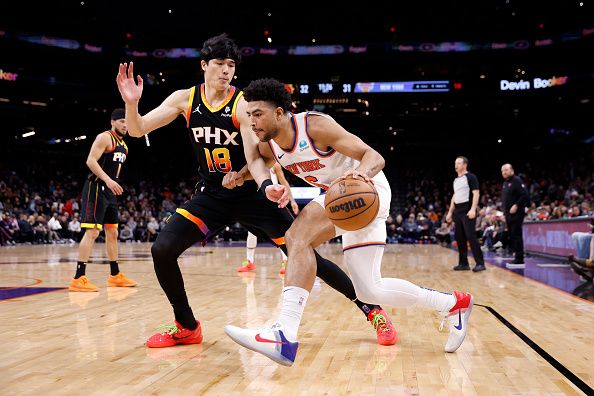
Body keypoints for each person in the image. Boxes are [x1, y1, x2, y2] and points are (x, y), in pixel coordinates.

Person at [115, 33, 396, 348]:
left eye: (231, 65)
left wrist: (266, 185)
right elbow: (138, 129)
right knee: (162, 250)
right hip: (212, 194)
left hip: (251, 194)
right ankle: (186, 325)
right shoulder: (185, 99)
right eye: (219, 63)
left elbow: (255, 158)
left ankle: (371, 309)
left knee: (304, 255)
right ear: (204, 65)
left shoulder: (244, 105)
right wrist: (131, 103)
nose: (226, 70)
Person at [224, 78, 474, 366]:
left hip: (366, 188)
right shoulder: (272, 146)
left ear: (279, 113)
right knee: (370, 289)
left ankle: (284, 333)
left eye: (258, 114)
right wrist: (239, 176)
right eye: (249, 115)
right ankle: (453, 304)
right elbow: (257, 161)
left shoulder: (314, 126)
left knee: (297, 236)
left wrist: (360, 174)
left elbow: (374, 156)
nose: (252, 122)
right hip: (343, 198)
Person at [69, 109, 138, 292]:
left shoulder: (125, 145)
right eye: (122, 121)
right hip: (96, 187)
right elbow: (91, 161)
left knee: (113, 233)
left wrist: (111, 183)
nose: (125, 125)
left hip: (109, 191)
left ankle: (115, 275)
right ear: (113, 122)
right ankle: (78, 277)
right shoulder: (105, 137)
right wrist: (108, 180)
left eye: (127, 122)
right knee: (92, 232)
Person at [237, 162, 299, 275]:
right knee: (251, 231)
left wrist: (292, 200)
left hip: (273, 199)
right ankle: (250, 261)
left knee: (281, 232)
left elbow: (283, 181)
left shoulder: (274, 164)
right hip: (256, 199)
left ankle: (286, 261)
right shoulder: (251, 163)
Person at [445, 156, 485, 272]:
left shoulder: (471, 177)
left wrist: (473, 209)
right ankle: (463, 263)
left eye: (458, 163)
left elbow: (476, 193)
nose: (456, 165)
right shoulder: (456, 180)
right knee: (460, 237)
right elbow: (454, 196)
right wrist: (450, 212)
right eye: (455, 163)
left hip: (467, 209)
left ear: (464, 165)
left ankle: (480, 263)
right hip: (458, 210)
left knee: (471, 237)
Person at [501, 164, 529, 269]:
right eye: (502, 170)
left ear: (512, 170)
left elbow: (524, 195)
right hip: (508, 214)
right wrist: (504, 213)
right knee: (513, 235)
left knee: (517, 235)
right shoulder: (505, 183)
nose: (504, 172)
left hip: (517, 213)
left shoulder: (516, 180)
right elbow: (505, 199)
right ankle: (517, 257)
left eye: (506, 170)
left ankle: (519, 259)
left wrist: (516, 205)